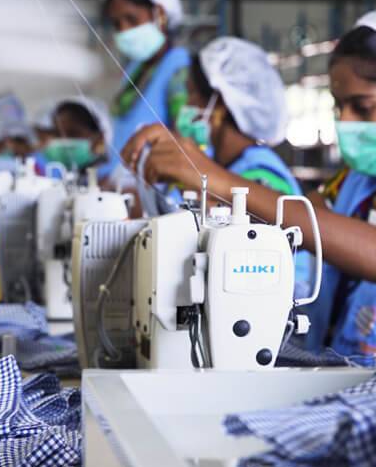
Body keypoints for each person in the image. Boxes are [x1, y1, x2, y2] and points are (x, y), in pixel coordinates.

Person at [124, 9, 376, 357]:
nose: (345, 121)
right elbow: (290, 219)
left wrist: (215, 178)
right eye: (338, 106)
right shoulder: (358, 184)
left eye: (363, 107)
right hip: (343, 380)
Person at [123, 36, 311, 287]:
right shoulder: (225, 166)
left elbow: (247, 241)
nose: (186, 106)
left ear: (219, 105)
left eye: (191, 94)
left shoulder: (261, 171)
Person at [100, 0, 190, 153]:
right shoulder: (136, 69)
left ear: (161, 15)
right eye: (117, 24)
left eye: (132, 20)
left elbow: (185, 146)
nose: (124, 30)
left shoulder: (180, 71)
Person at [46, 96, 134, 192]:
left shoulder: (122, 182)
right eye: (57, 134)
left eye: (73, 133)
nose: (64, 140)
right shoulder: (58, 181)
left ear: (100, 137)